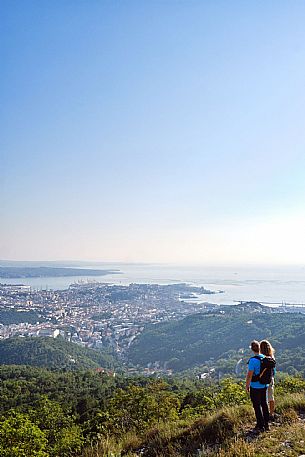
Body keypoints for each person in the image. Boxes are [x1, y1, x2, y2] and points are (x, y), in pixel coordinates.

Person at [246, 340, 269, 432]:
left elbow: (249, 375)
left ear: (252, 349)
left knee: (256, 405)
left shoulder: (252, 360)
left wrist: (247, 385)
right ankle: (266, 423)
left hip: (255, 386)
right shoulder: (265, 358)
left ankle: (260, 424)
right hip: (264, 385)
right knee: (264, 403)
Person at [260, 340, 276, 421]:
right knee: (271, 397)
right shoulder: (272, 357)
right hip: (271, 378)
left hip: (263, 380)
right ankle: (271, 414)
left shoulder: (261, 358)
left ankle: (264, 415)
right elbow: (274, 370)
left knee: (264, 398)